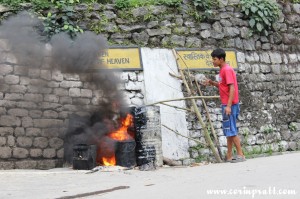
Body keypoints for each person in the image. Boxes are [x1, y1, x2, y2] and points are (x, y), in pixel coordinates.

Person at [204, 48, 245, 163]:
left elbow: (232, 88)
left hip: (229, 104)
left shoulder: (226, 70)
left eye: (214, 59)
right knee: (228, 129)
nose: (213, 61)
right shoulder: (222, 70)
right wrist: (212, 83)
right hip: (227, 103)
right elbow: (224, 87)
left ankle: (241, 154)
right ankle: (229, 155)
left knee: (231, 129)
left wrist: (228, 106)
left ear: (221, 59)